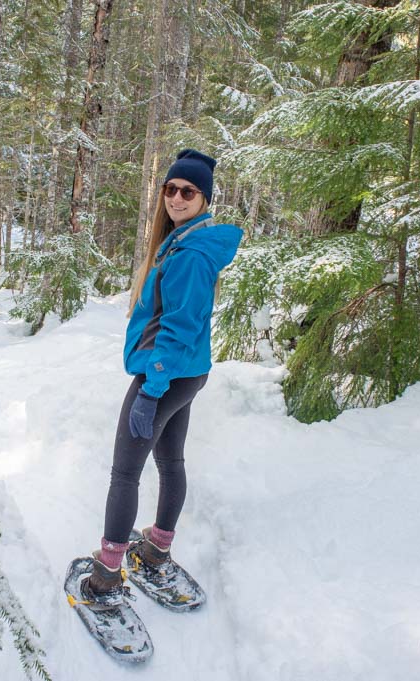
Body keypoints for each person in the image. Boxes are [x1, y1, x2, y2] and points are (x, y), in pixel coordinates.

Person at [82, 149, 243, 604]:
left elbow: (179, 326)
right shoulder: (183, 241)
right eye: (170, 189)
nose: (176, 197)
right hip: (186, 373)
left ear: (204, 199)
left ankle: (107, 576)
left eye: (187, 191)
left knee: (124, 473)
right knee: (170, 463)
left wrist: (151, 389)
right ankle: (156, 549)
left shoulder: (190, 254)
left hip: (166, 374)